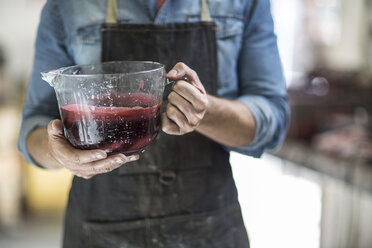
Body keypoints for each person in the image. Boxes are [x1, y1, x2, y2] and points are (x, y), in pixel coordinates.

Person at [18, 0, 289, 247]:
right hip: (99, 228)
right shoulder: (66, 6)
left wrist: (206, 111)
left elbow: (273, 120)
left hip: (210, 226)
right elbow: (33, 127)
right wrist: (56, 152)